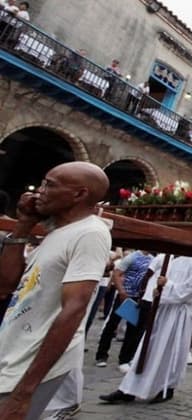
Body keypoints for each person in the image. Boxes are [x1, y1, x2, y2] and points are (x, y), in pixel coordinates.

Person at [0, 162, 111, 420]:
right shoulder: (58, 232)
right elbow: (5, 286)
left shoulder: (90, 233)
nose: (39, 192)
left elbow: (73, 310)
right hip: (12, 352)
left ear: (79, 194)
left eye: (49, 185)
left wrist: (25, 392)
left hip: (29, 366)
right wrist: (24, 224)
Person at [99, 254, 192, 404]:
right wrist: (157, 292)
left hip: (177, 315)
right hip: (162, 311)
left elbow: (191, 291)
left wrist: (167, 285)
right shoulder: (169, 259)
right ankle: (128, 389)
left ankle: (166, 388)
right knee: (148, 348)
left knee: (169, 351)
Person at [94, 250, 153, 371]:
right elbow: (117, 273)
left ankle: (125, 358)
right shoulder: (132, 257)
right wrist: (121, 291)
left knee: (133, 328)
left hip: (139, 297)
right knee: (112, 324)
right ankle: (102, 355)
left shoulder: (152, 259)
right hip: (125, 296)